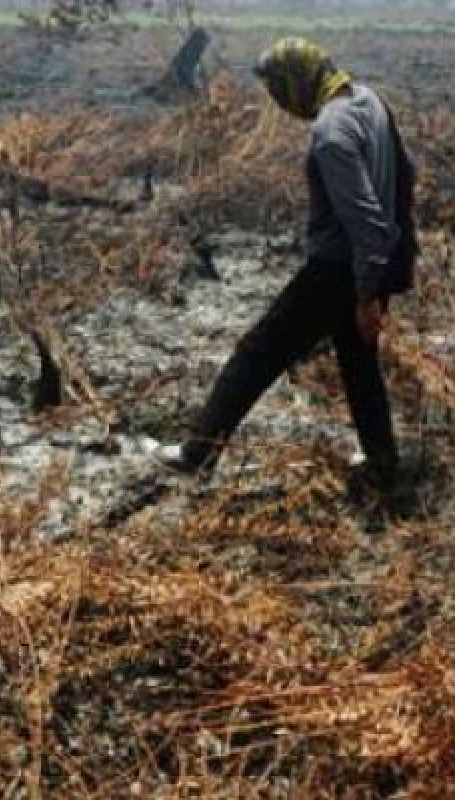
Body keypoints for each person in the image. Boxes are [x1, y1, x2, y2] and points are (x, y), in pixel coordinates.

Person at [161, 37, 420, 500]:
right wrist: (383, 279)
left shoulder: (332, 132)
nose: (280, 103)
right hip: (365, 266)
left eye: (279, 89)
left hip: (338, 271)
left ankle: (196, 456)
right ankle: (382, 464)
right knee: (358, 364)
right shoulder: (369, 101)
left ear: (298, 79)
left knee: (256, 354)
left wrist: (366, 294)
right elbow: (405, 179)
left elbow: (364, 218)